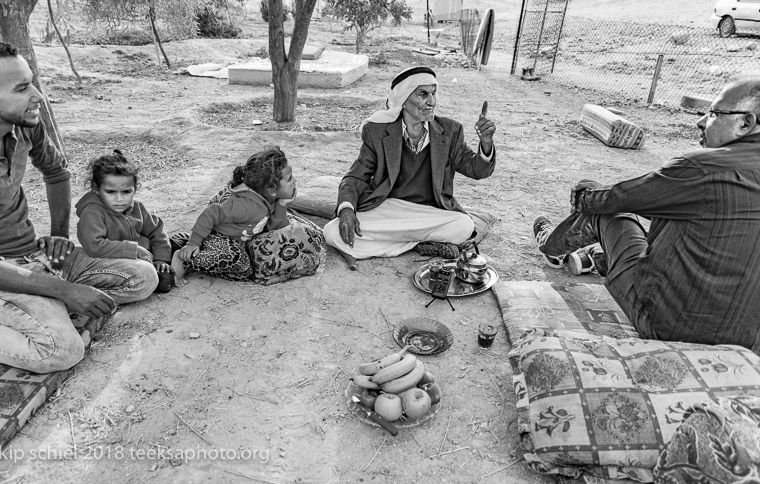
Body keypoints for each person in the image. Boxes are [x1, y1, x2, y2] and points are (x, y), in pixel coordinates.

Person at [0, 38, 158, 373]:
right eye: (23, 88)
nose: (38, 96)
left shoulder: (23, 123)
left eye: (33, 82)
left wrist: (58, 236)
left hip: (33, 254)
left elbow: (56, 172)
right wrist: (64, 290)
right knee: (61, 350)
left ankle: (41, 300)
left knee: (143, 278)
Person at [533, 76, 760, 351]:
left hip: (667, 326)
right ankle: (598, 257)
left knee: (606, 209)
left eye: (712, 114)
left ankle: (552, 247)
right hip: (747, 342)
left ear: (745, 123)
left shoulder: (701, 168)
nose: (700, 122)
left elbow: (616, 199)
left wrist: (585, 196)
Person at [323, 66, 498, 260]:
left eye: (433, 93)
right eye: (423, 94)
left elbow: (476, 170)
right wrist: (346, 208)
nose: (431, 101)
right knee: (332, 232)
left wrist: (486, 143)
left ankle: (402, 243)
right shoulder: (377, 132)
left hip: (430, 213)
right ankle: (419, 244)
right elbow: (356, 176)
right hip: (388, 208)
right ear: (403, 100)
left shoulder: (449, 131)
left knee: (463, 226)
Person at [171, 146, 296, 285]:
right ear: (271, 188)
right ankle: (185, 259)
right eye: (290, 179)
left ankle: (185, 243)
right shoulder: (246, 206)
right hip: (219, 237)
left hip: (236, 241)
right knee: (238, 262)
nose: (294, 181)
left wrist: (282, 205)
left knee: (246, 270)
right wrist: (193, 243)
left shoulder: (270, 199)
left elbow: (275, 227)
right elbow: (212, 212)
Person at [76, 149, 174, 293]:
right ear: (97, 189)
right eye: (110, 192)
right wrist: (133, 250)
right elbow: (94, 246)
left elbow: (156, 229)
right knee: (163, 282)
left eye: (126, 192)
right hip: (113, 261)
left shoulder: (137, 207)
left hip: (144, 251)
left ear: (135, 189)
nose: (120, 199)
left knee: (176, 245)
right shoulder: (92, 212)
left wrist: (162, 259)